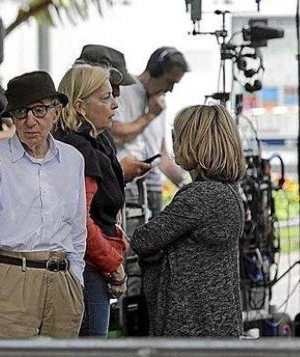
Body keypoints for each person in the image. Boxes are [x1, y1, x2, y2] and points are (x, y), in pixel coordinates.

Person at [0, 71, 86, 339]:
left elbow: (77, 226)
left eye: (39, 111)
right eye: (20, 113)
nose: (30, 121)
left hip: (62, 279)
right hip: (12, 276)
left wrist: (76, 276)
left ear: (56, 112)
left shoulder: (73, 159)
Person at [130, 105, 245, 337]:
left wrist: (157, 250)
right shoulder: (229, 192)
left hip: (189, 324)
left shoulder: (198, 196)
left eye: (177, 136)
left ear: (191, 142)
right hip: (219, 320)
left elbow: (143, 240)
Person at [55, 64, 129, 337]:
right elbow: (81, 221)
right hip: (88, 268)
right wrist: (113, 265)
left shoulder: (95, 141)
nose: (115, 104)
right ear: (80, 106)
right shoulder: (78, 147)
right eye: (106, 97)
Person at [111, 46, 190, 217]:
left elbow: (161, 155)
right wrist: (150, 115)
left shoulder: (158, 102)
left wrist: (185, 185)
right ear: (155, 70)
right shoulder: (124, 90)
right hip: (126, 183)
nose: (170, 89)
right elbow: (117, 135)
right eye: (170, 81)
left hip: (152, 187)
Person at [75, 44, 151, 183]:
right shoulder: (71, 141)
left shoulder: (100, 134)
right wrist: (120, 172)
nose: (117, 93)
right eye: (106, 93)